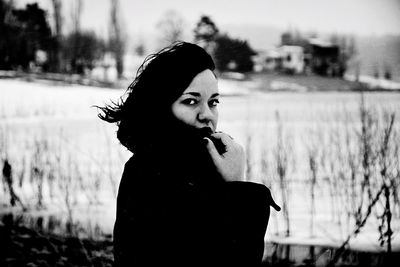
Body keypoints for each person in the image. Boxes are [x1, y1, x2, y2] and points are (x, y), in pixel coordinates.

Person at [97, 41, 280, 267]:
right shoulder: (151, 176)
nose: (207, 115)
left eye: (213, 102)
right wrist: (236, 190)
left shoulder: (196, 168)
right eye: (191, 101)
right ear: (162, 107)